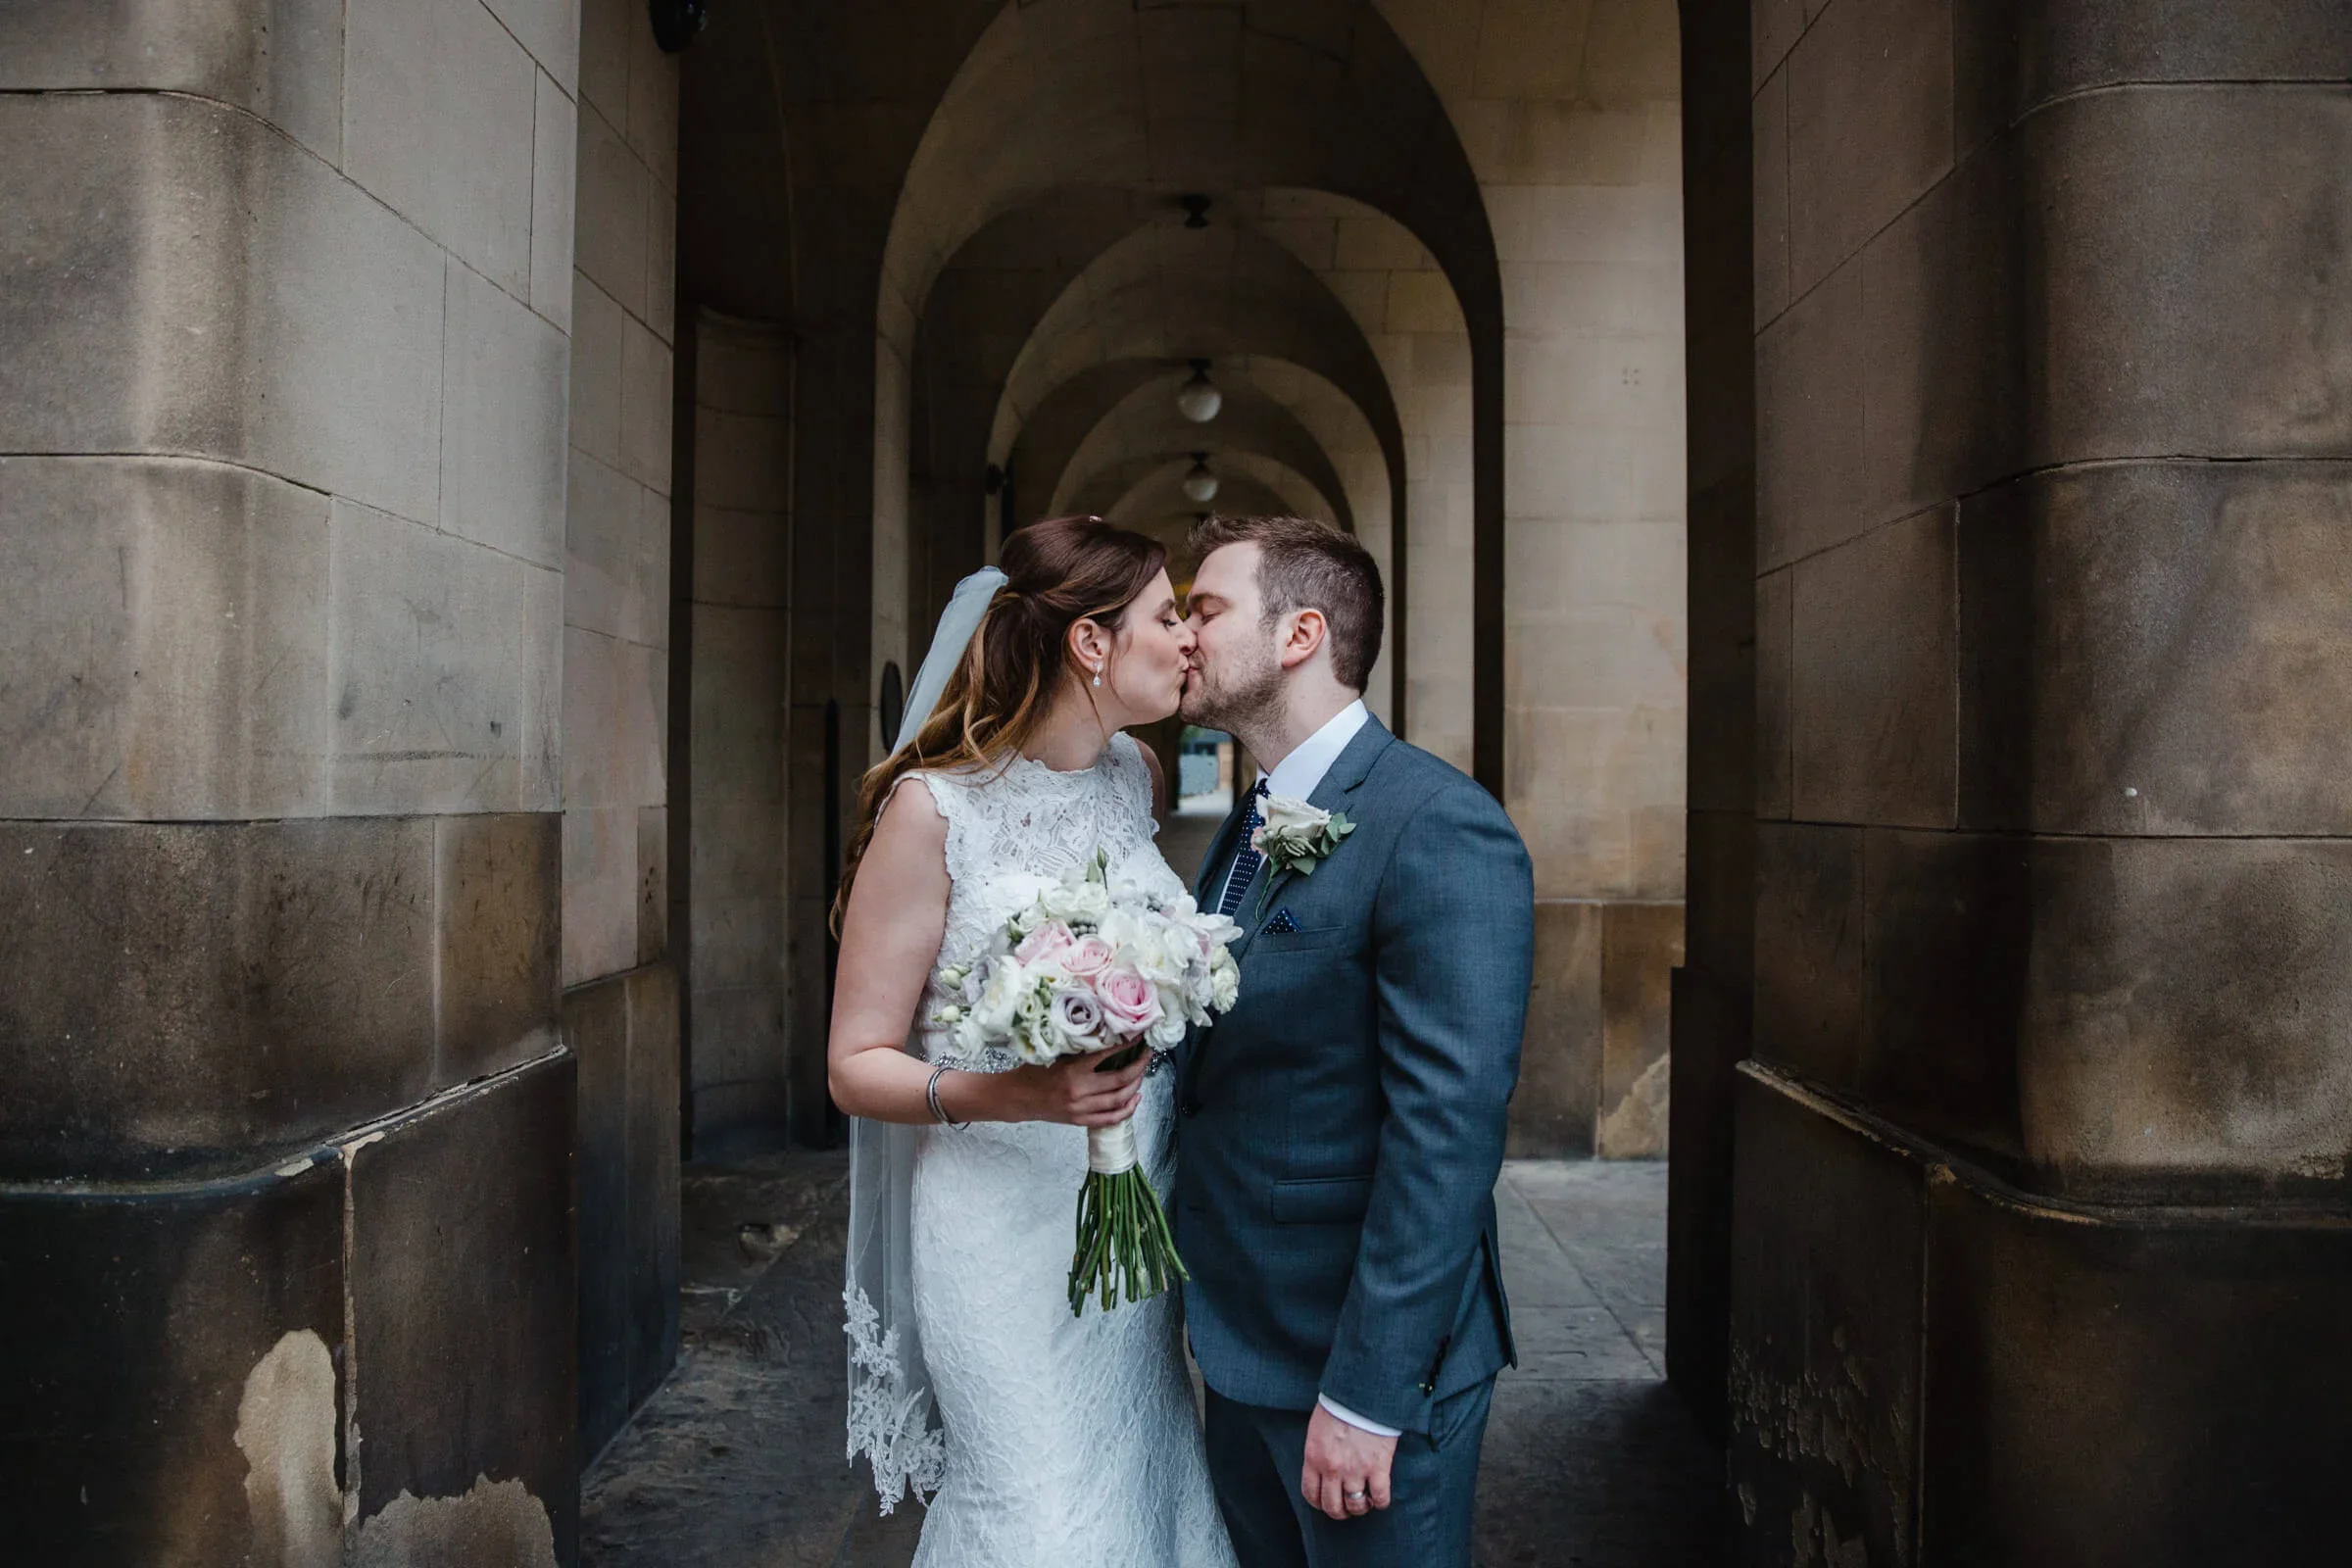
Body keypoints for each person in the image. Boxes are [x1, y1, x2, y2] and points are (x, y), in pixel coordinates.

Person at [827, 515, 1237, 1567]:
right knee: (1039, 1511)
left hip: (1129, 1215)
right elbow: (854, 1062)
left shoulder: (1134, 778)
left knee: (1138, 1475)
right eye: (1164, 614)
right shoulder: (932, 813)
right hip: (999, 1232)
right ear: (1091, 644)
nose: (1187, 635)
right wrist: (1019, 1095)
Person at [1174, 514, 1534, 1568]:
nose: (1185, 633)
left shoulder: (1437, 824)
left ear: (1301, 635)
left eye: (1206, 608)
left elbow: (1448, 1129)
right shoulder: (1247, 823)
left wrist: (1369, 1395)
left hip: (1359, 1372)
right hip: (1243, 1343)